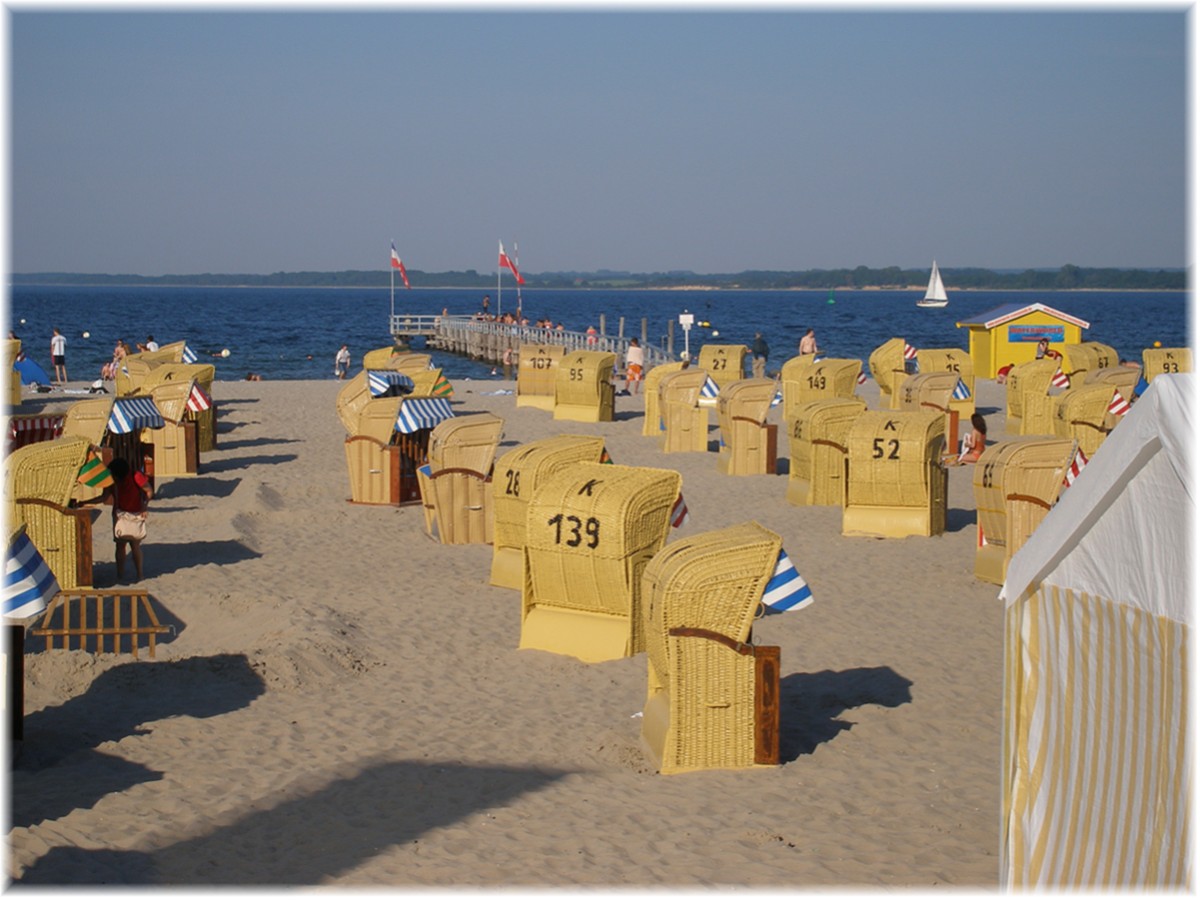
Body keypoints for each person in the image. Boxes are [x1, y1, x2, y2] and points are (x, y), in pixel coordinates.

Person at [104, 457, 152, 582]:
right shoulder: (134, 475)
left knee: (127, 546)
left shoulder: (134, 476)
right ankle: (134, 575)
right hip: (125, 514)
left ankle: (129, 575)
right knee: (129, 546)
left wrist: (144, 507)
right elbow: (148, 490)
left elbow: (148, 490)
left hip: (129, 514)